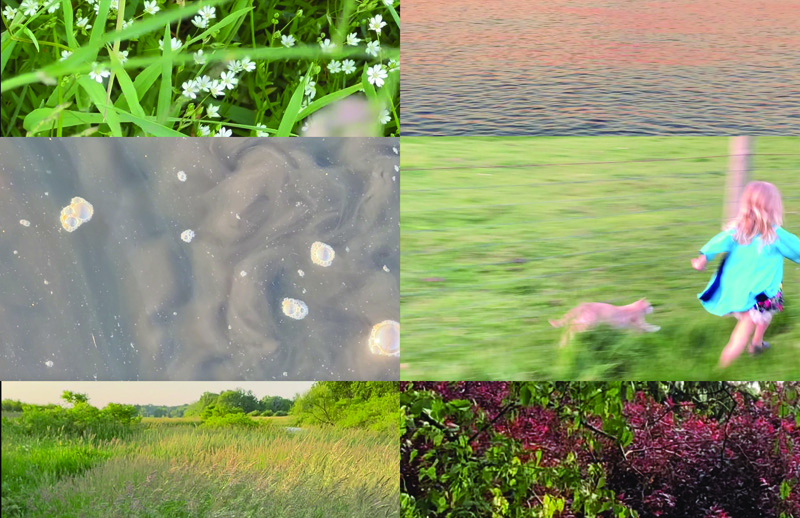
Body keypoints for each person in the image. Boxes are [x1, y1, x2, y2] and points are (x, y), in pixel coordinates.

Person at [691, 181, 800, 368]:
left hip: (739, 292)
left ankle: (757, 344)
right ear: (772, 207)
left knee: (765, 316)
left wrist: (703, 258)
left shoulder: (738, 231)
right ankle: (722, 368)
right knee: (741, 334)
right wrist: (704, 257)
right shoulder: (775, 235)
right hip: (761, 296)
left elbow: (716, 242)